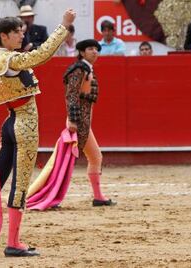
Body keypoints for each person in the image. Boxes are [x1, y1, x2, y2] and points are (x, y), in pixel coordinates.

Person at [0, 9, 76, 257]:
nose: (20, 35)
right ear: (3, 36)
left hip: (9, 124)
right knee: (20, 185)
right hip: (24, 125)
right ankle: (13, 243)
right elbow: (40, 56)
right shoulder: (11, 60)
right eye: (16, 32)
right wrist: (64, 26)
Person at [63, 39, 117, 207]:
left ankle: (98, 197)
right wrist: (73, 119)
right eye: (90, 48)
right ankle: (52, 194)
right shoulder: (80, 69)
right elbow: (71, 94)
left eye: (96, 49)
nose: (95, 51)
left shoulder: (86, 69)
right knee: (68, 162)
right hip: (78, 121)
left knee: (93, 157)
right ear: (81, 52)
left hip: (83, 121)